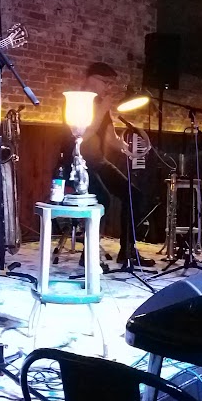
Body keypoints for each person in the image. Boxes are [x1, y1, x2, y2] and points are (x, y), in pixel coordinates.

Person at [71, 62, 150, 269]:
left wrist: (128, 148)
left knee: (134, 195)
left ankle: (128, 251)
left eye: (111, 83)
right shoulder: (77, 102)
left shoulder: (102, 107)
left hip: (98, 162)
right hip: (78, 164)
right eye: (105, 82)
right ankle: (89, 254)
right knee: (103, 198)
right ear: (90, 79)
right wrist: (102, 110)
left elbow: (110, 138)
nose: (109, 87)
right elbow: (84, 135)